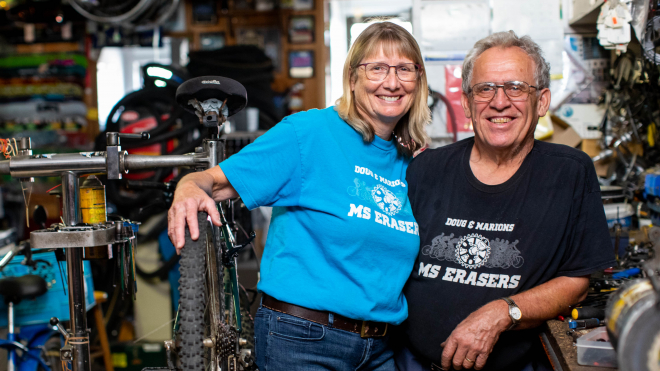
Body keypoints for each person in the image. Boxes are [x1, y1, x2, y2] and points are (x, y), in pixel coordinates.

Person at [168, 21, 431, 371]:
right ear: (353, 79)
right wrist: (187, 187)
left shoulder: (410, 160)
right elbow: (211, 182)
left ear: (418, 81)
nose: (392, 82)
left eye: (404, 70)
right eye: (377, 68)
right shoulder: (308, 134)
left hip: (382, 348)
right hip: (303, 340)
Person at [399, 31, 615, 371]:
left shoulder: (569, 173)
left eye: (516, 87)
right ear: (467, 102)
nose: (500, 102)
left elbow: (577, 283)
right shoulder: (426, 168)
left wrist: (503, 311)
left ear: (541, 101)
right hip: (411, 363)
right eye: (485, 89)